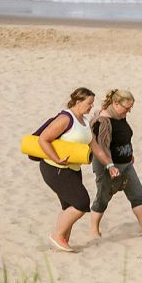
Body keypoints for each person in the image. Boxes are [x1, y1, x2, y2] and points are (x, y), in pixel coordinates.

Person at [86, 89, 142, 239]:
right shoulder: (102, 122)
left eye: (130, 108)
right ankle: (94, 230)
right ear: (116, 104)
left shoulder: (120, 116)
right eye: (127, 108)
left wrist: (129, 153)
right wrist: (110, 166)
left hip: (126, 164)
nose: (128, 111)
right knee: (103, 196)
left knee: (137, 192)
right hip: (107, 166)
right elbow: (101, 148)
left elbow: (124, 137)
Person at [32, 87, 96, 252]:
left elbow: (93, 145)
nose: (91, 107)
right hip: (54, 168)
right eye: (89, 103)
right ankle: (57, 235)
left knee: (69, 206)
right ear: (78, 101)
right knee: (82, 203)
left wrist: (109, 164)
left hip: (73, 168)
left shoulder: (85, 121)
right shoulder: (65, 119)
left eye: (92, 103)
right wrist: (56, 159)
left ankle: (62, 242)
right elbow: (44, 140)